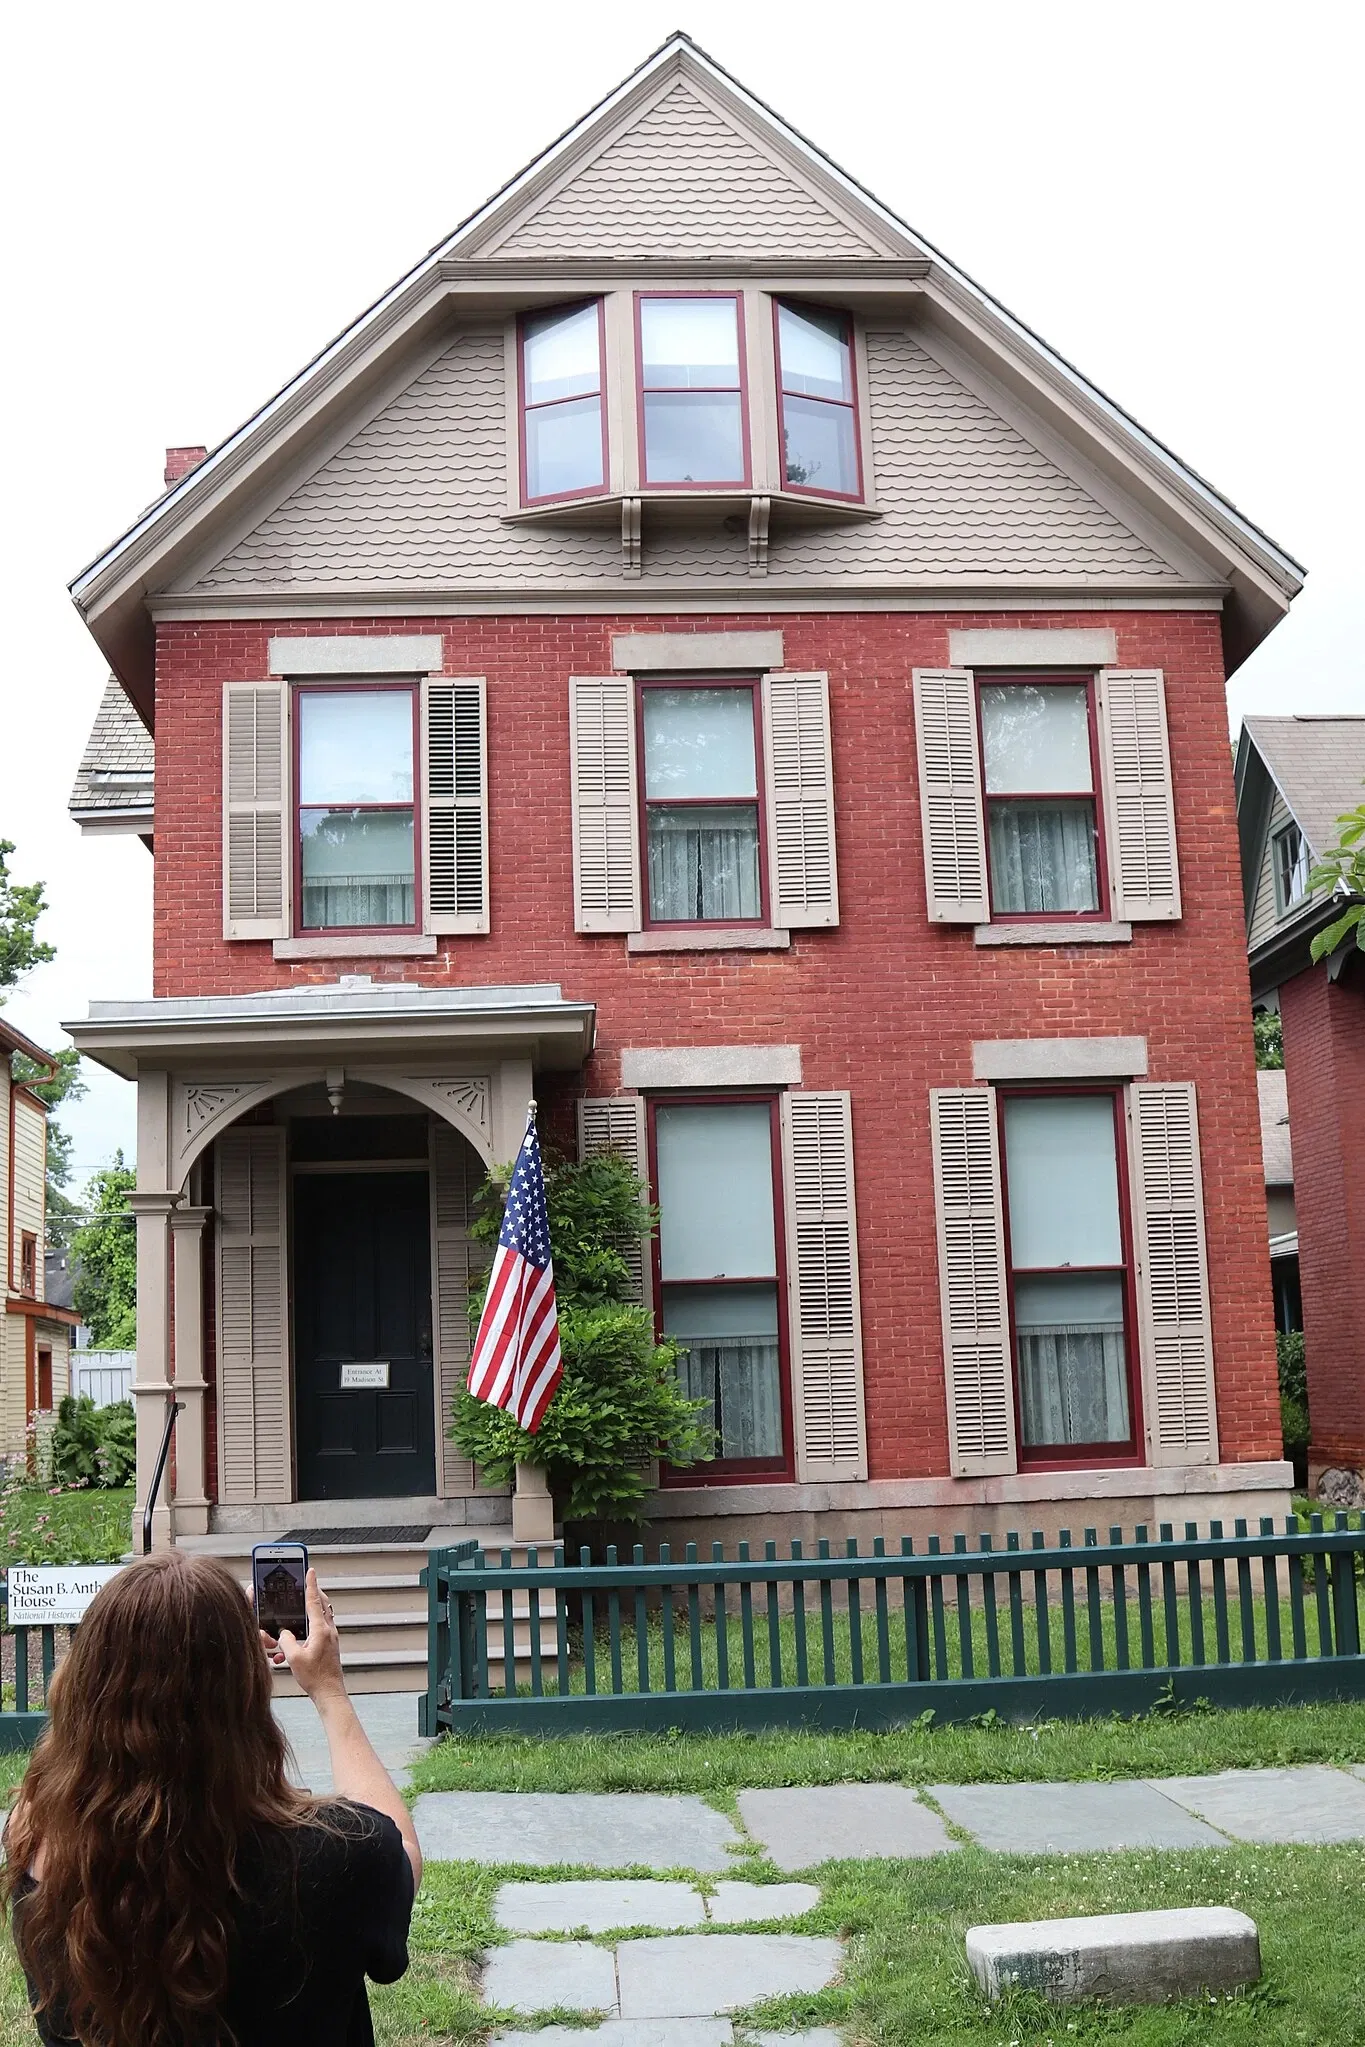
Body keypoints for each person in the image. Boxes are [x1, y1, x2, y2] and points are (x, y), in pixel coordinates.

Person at [2, 1548, 421, 2045]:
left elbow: (82, 1746)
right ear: (245, 1694)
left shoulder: (38, 1842)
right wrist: (329, 1691)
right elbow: (403, 1853)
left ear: (81, 1686)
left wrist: (172, 1642)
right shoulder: (336, 1856)